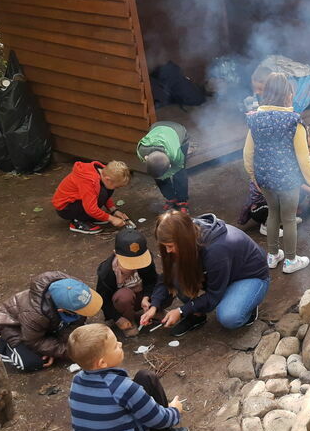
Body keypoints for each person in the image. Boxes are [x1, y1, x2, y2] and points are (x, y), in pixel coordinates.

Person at [68, 323, 188, 431]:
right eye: (115, 346)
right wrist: (174, 410)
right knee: (147, 378)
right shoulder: (124, 388)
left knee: (135, 388)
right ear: (102, 363)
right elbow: (159, 419)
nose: (120, 344)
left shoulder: (76, 381)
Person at [141, 212, 270, 336]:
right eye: (165, 246)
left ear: (183, 241)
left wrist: (181, 311)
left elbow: (214, 296)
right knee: (177, 274)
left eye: (170, 246)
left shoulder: (216, 250)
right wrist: (155, 305)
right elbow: (168, 276)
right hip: (222, 272)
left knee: (229, 317)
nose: (168, 251)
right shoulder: (188, 234)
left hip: (249, 276)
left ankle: (248, 306)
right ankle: (197, 315)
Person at [243, 72, 310, 273]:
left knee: (273, 213)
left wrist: (254, 176)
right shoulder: (293, 121)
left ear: (266, 93)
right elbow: (303, 158)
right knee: (289, 219)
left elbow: (247, 153)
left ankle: (272, 255)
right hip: (287, 180)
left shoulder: (255, 119)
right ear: (288, 95)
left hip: (265, 179)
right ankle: (291, 260)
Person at [0, 272, 103, 371]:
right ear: (62, 310)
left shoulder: (73, 288)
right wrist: (67, 352)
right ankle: (4, 349)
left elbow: (78, 320)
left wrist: (59, 346)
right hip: (13, 325)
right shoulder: (35, 315)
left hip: (43, 326)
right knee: (31, 362)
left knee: (80, 338)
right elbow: (35, 341)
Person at [95, 228, 159, 338]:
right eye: (129, 263)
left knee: (165, 283)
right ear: (116, 254)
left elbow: (152, 280)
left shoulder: (146, 261)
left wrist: (146, 297)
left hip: (141, 297)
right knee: (124, 296)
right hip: (123, 303)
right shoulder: (107, 272)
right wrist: (117, 318)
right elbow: (102, 299)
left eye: (138, 261)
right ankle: (129, 319)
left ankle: (155, 310)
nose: (135, 267)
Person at [51, 160, 131, 235]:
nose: (116, 189)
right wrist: (112, 219)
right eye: (117, 187)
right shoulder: (89, 182)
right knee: (103, 192)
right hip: (66, 208)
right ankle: (78, 221)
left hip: (78, 201)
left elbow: (105, 192)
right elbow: (91, 209)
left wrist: (114, 211)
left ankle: (89, 216)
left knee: (107, 190)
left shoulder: (104, 172)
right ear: (108, 179)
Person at [137, 121, 190, 213]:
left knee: (179, 173)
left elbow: (178, 167)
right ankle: (170, 198)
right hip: (158, 128)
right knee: (157, 173)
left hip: (178, 131)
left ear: (170, 165)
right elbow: (156, 172)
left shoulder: (175, 154)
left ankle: (182, 201)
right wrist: (159, 176)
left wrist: (166, 173)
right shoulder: (141, 151)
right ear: (146, 158)